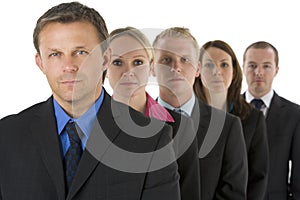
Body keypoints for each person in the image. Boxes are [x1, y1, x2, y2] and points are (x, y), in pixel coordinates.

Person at [0, 2, 181, 199]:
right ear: (40, 63)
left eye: (81, 52)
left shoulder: (152, 140)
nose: (69, 66)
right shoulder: (7, 136)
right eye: (55, 54)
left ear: (105, 59)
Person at [152, 27, 248, 200]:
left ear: (197, 69)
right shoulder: (136, 122)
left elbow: (233, 193)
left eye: (185, 60)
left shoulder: (227, 127)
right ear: (152, 68)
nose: (176, 67)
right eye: (166, 59)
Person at [106, 26, 201, 200]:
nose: (128, 71)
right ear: (104, 67)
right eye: (117, 62)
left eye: (138, 62)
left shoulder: (181, 127)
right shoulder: (88, 124)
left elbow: (189, 193)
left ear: (151, 68)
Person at [194, 40, 269, 199]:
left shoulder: (253, 119)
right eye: (209, 65)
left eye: (224, 65)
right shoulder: (186, 116)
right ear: (198, 70)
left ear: (234, 72)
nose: (217, 71)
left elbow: (258, 177)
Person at [242, 41, 300, 200]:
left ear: (276, 70)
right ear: (243, 68)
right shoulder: (227, 110)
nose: (258, 72)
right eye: (252, 65)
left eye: (266, 66)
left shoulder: (294, 115)